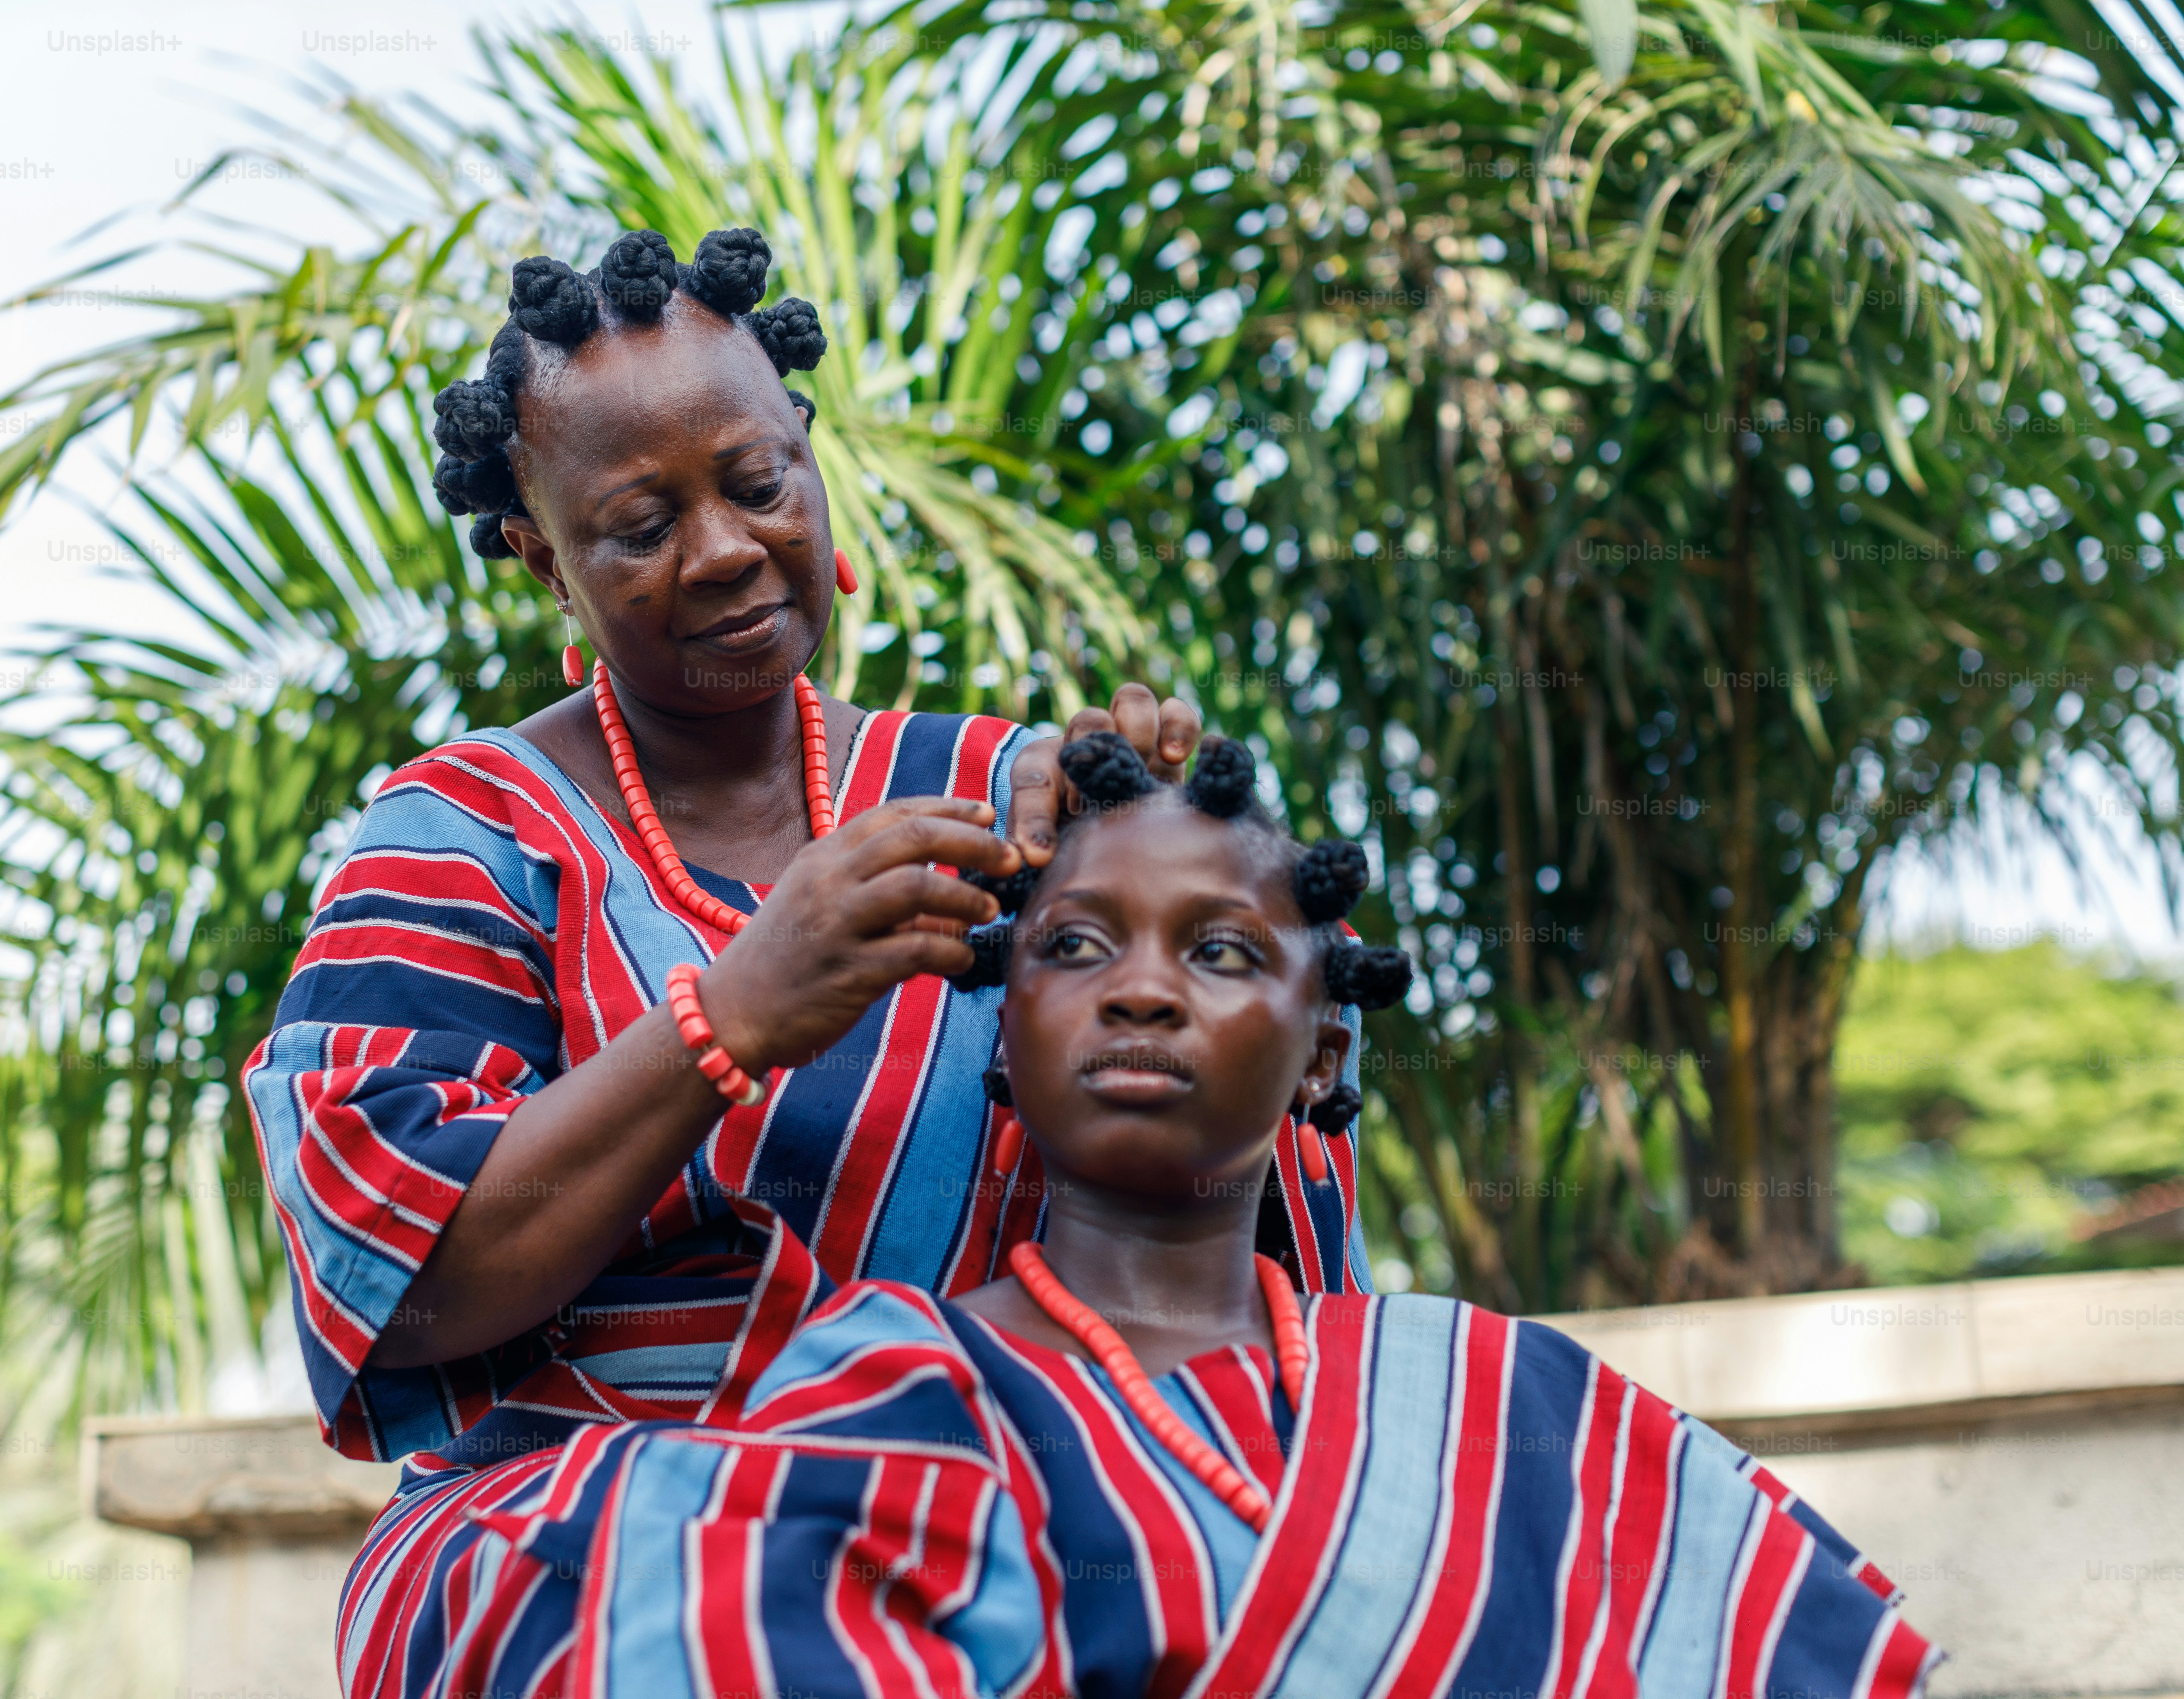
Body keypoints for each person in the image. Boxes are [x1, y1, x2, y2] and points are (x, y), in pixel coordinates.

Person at [240, 230, 1373, 1694]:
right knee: (743, 1603)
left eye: (757, 484)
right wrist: (733, 1018)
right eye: (640, 526)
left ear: (811, 464)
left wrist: (1196, 871)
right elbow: (401, 1276)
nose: (721, 550)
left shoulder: (997, 802)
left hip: (994, 1499)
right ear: (540, 560)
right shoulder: (463, 841)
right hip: (584, 1527)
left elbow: (1242, 1167)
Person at [342, 735, 1943, 1699]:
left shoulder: (1491, 1400)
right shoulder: (886, 1401)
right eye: (1080, 947)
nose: (1149, 991)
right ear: (992, 1025)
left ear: (1328, 1044)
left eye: (1225, 954)